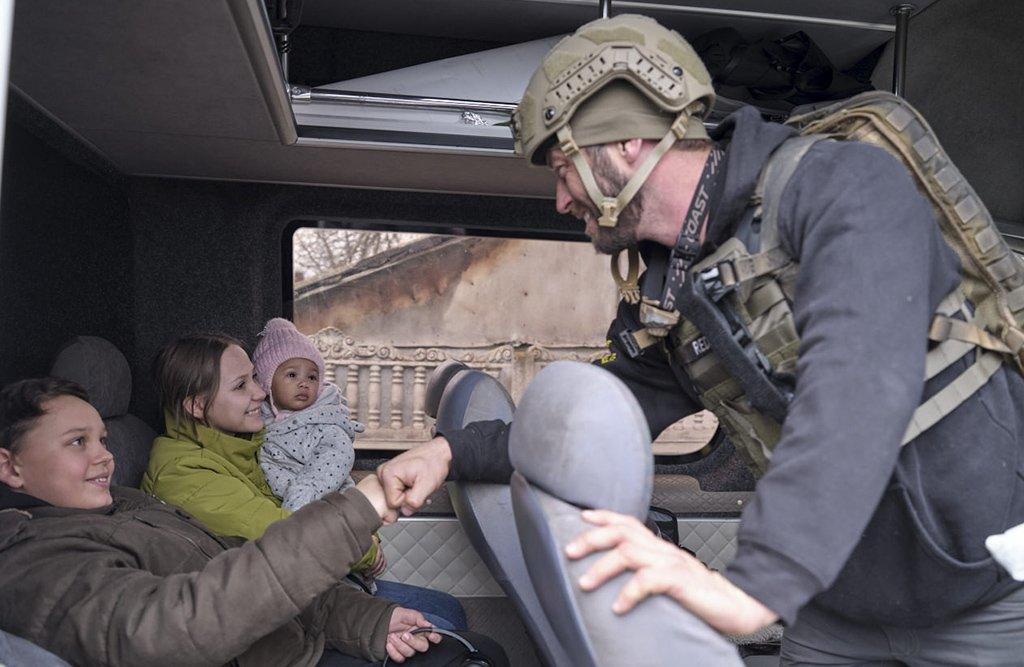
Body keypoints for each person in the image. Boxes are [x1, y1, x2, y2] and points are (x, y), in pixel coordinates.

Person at [376, 13, 1024, 664]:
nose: (561, 200)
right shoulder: (678, 286)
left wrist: (753, 588)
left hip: (984, 588)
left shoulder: (845, 186)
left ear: (625, 143)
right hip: (838, 600)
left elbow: (855, 387)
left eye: (563, 166)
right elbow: (594, 418)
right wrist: (449, 451)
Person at [0, 377, 510, 666]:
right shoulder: (33, 560)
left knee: (474, 650)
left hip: (294, 644)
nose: (103, 458)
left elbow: (239, 569)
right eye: (76, 443)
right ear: (10, 466)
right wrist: (366, 502)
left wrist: (368, 622)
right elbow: (181, 625)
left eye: (103, 440)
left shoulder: (130, 505)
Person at [141, 333, 467, 632]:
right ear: (197, 406)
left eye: (255, 376)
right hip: (268, 619)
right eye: (241, 386)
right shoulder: (183, 473)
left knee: (449, 609)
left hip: (294, 589)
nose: (259, 391)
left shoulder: (240, 443)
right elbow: (284, 535)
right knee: (442, 631)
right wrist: (364, 547)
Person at [252, 318, 386, 591]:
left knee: (342, 588)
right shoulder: (259, 423)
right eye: (292, 375)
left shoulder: (326, 423)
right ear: (266, 382)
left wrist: (295, 509)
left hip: (321, 516)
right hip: (299, 528)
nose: (304, 383)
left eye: (312, 377)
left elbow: (330, 466)